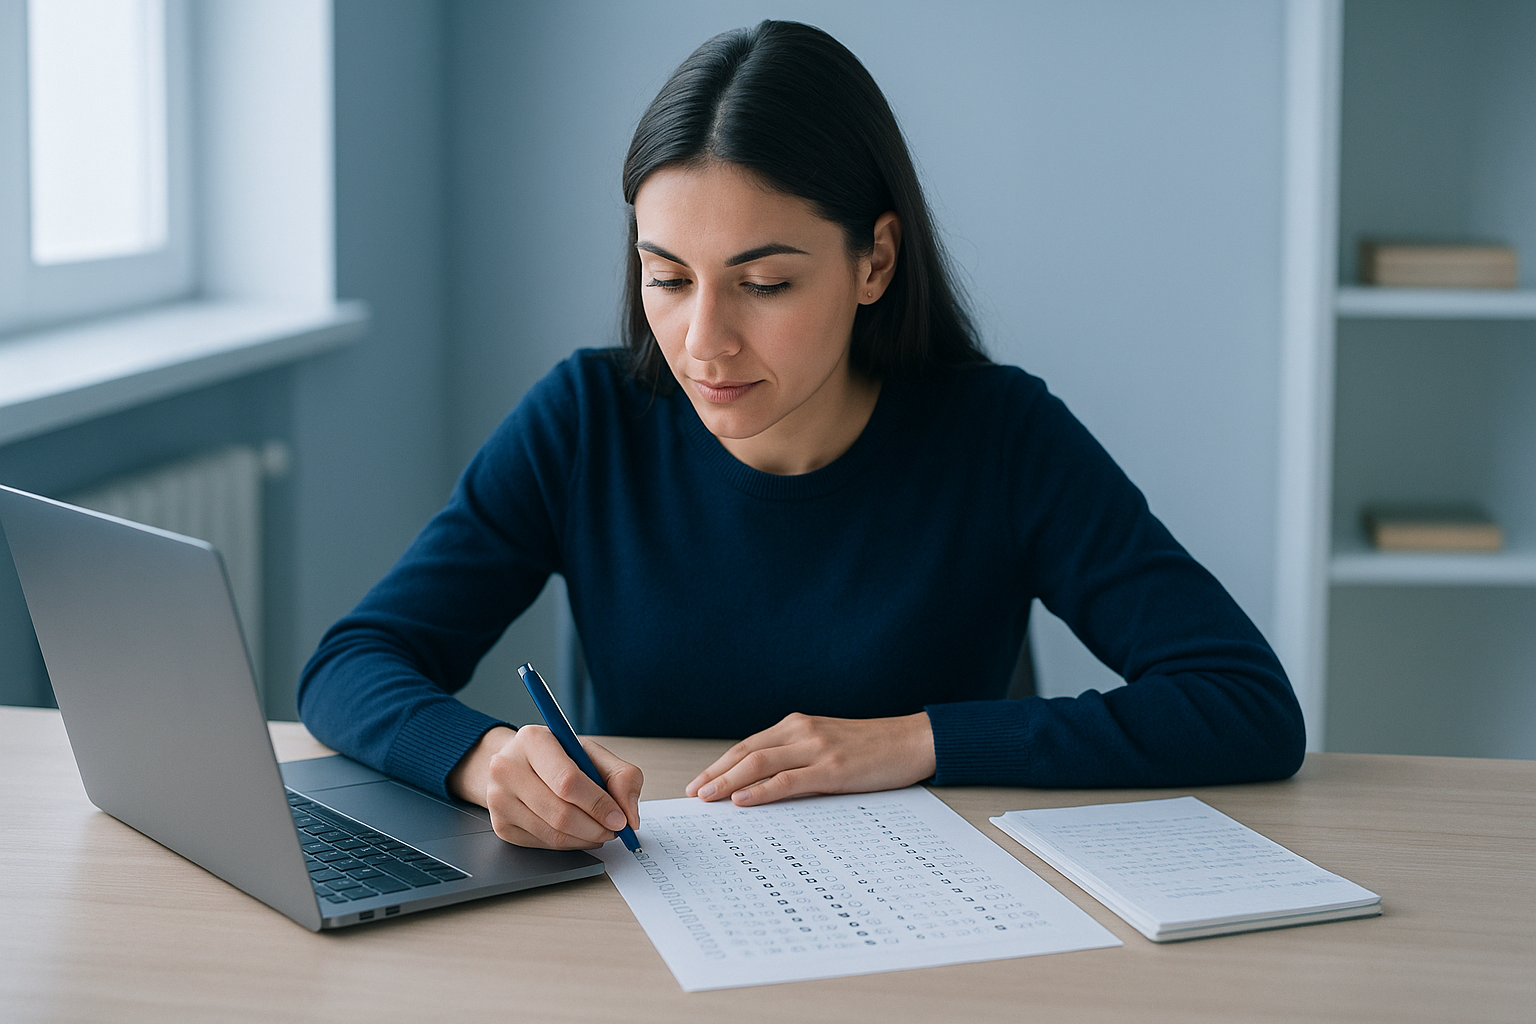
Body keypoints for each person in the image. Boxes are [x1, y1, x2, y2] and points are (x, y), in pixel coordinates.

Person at [298, 20, 1305, 852]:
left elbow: (1244, 702)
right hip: (651, 931)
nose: (704, 342)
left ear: (875, 261)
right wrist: (484, 760)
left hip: (938, 930)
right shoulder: (586, 419)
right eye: (667, 276)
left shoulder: (1000, 436)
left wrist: (916, 741)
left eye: (765, 283)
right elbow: (351, 664)